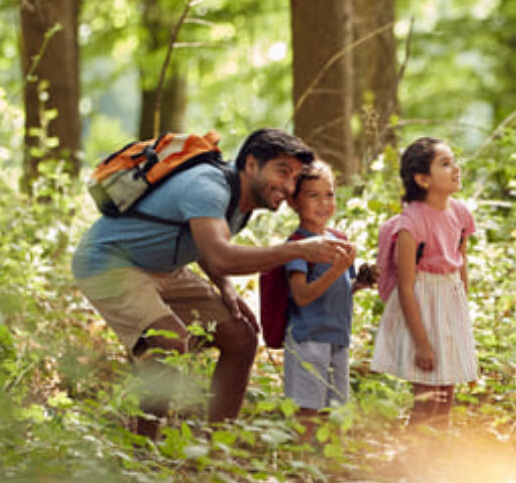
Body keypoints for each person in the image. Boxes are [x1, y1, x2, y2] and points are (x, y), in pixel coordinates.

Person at [72, 128, 355, 433]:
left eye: (295, 179)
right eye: (282, 172)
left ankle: (216, 446)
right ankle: (144, 448)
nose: (288, 187)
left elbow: (203, 244)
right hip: (109, 262)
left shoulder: (243, 203)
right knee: (170, 340)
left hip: (164, 269)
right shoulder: (209, 187)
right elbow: (220, 254)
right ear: (250, 164)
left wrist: (226, 288)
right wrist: (297, 250)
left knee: (242, 337)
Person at [371, 137, 478, 426]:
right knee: (427, 399)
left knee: (446, 396)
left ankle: (436, 462)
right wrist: (421, 343)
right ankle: (411, 462)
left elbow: (461, 262)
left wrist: (461, 314)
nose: (455, 168)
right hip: (422, 306)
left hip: (450, 302)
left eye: (454, 161)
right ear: (422, 179)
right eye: (445, 164)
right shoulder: (411, 224)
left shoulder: (460, 213)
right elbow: (406, 287)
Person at [282, 160, 374, 418]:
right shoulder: (298, 245)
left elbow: (340, 289)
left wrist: (360, 283)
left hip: (338, 338)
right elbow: (301, 296)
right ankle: (303, 455)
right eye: (313, 195)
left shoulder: (338, 241)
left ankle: (327, 458)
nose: (323, 203)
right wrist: (336, 270)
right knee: (308, 408)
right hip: (308, 338)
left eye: (329, 194)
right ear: (295, 202)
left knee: (334, 410)